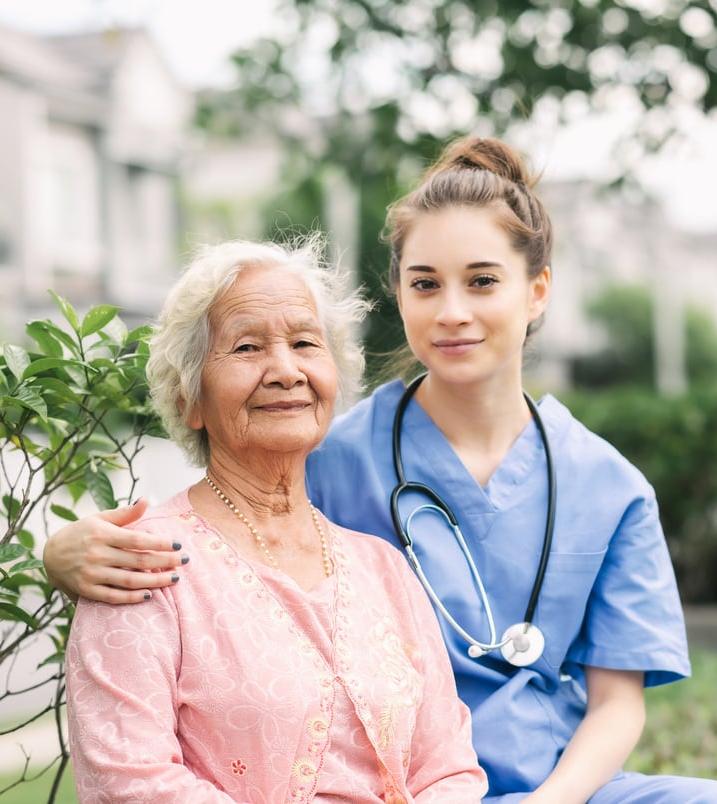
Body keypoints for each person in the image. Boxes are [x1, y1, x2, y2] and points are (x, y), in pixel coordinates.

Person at [46, 138, 717, 804]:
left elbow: (617, 703)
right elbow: (222, 519)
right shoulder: (329, 454)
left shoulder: (609, 487)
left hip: (556, 786)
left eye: (481, 282)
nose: (452, 312)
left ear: (536, 291)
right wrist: (59, 552)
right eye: (425, 284)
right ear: (399, 295)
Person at [62, 237, 487, 803]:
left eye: (305, 343)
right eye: (246, 348)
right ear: (189, 396)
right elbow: (129, 783)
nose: (286, 370)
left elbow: (449, 769)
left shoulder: (384, 569)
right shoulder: (139, 565)